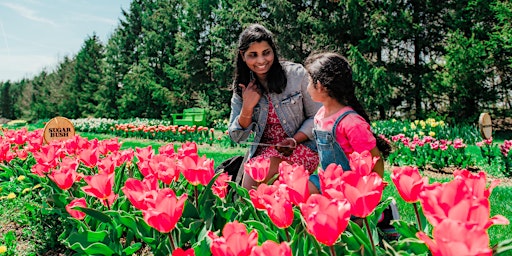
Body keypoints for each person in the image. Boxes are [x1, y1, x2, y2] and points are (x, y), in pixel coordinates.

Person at [304, 52, 398, 241]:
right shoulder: (320, 116)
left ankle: (381, 214)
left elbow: (375, 160)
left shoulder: (351, 123)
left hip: (353, 187)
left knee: (356, 232)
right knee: (303, 191)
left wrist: (370, 193)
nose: (306, 87)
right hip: (330, 183)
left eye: (308, 81)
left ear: (320, 86)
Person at [227, 24, 321, 190]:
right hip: (262, 153)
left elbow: (317, 117)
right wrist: (247, 107)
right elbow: (236, 137)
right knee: (255, 175)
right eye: (253, 55)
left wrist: (294, 139)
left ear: (273, 51)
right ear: (243, 55)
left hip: (301, 147)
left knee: (255, 177)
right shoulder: (242, 87)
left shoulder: (296, 75)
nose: (261, 61)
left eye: (266, 53)